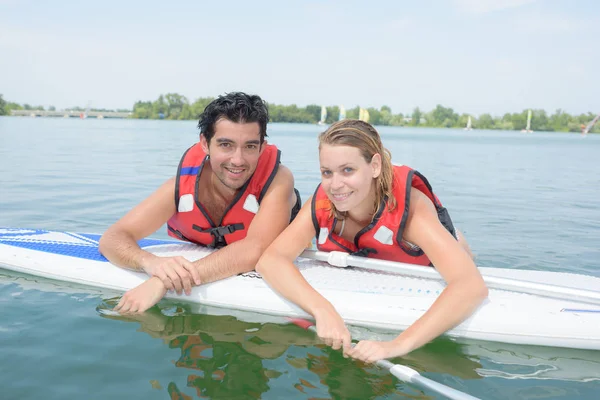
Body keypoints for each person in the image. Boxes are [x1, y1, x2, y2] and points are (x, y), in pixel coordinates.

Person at [255, 119, 487, 363]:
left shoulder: (412, 212)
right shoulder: (322, 201)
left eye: (348, 170)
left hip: (430, 250)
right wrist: (323, 310)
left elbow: (471, 286)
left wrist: (396, 346)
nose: (335, 185)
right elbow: (270, 260)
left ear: (374, 165)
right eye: (327, 172)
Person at [99, 92, 301, 313]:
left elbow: (255, 249)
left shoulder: (279, 181)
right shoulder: (181, 186)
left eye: (250, 147)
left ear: (262, 147)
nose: (238, 160)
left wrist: (163, 282)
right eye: (226, 145)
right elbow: (112, 238)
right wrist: (152, 264)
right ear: (205, 143)